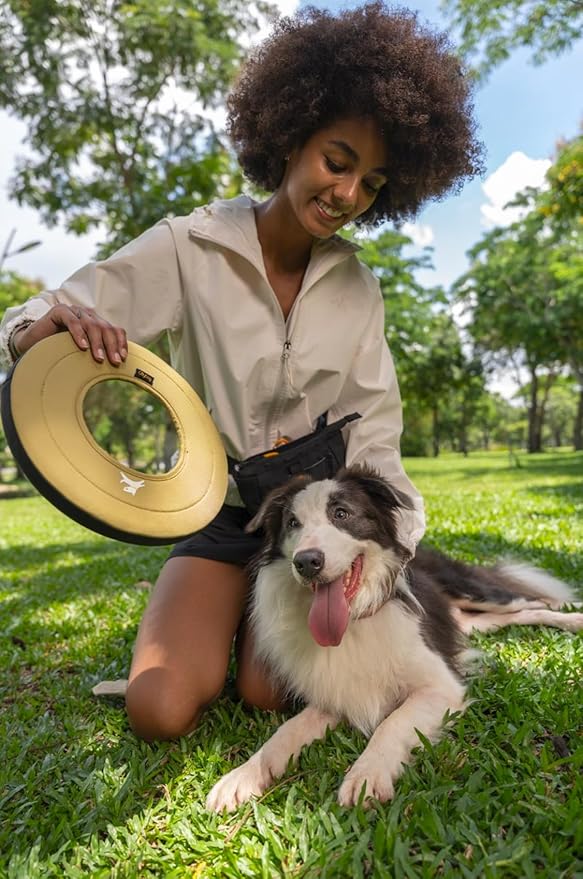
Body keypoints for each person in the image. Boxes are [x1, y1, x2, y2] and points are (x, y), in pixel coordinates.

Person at [0, 2, 482, 742]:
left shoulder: (360, 290)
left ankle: (238, 650)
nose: (348, 195)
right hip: (220, 517)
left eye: (372, 182)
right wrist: (42, 328)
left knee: (267, 693)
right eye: (337, 160)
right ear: (290, 137)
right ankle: (201, 634)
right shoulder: (188, 247)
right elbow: (50, 307)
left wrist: (394, 544)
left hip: (312, 522)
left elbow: (375, 437)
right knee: (157, 709)